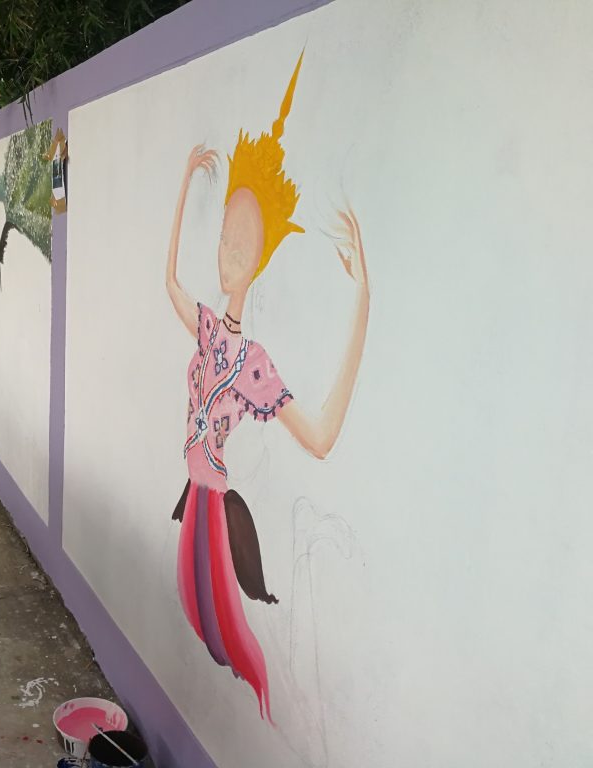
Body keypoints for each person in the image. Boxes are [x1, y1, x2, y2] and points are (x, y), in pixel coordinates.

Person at [166, 52, 370, 726]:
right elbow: (169, 282)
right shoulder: (206, 327)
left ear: (258, 260)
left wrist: (364, 300)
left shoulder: (253, 363)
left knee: (223, 634)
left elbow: (320, 437)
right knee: (199, 611)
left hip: (211, 499)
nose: (227, 253)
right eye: (225, 236)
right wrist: (182, 185)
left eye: (241, 245)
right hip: (195, 494)